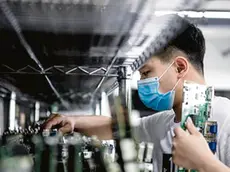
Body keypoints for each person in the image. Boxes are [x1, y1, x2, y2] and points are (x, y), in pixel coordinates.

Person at [43, 15, 230, 171]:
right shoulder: (163, 122)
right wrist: (74, 121)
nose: (141, 82)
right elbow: (116, 128)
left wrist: (205, 163)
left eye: (147, 72)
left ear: (180, 67)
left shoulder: (227, 120)